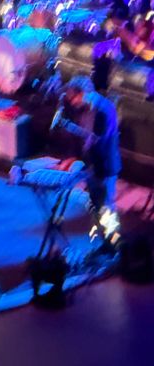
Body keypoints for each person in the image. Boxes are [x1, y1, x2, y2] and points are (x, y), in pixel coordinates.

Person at [56, 76, 122, 244]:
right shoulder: (86, 109)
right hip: (94, 165)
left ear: (82, 93)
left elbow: (98, 139)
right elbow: (85, 140)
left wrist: (71, 127)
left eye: (73, 98)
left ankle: (113, 243)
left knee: (106, 206)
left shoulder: (103, 109)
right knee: (96, 204)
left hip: (104, 165)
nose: (72, 103)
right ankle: (101, 240)